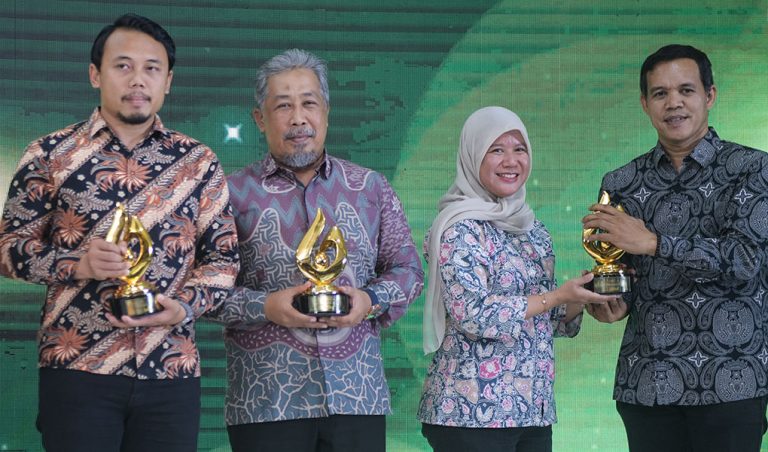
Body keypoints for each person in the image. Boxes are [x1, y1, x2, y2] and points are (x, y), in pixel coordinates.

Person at [0, 14, 239, 452]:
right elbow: (9, 250)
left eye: (152, 68)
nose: (137, 80)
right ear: (96, 74)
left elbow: (223, 262)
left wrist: (183, 307)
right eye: (123, 65)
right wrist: (78, 263)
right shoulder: (49, 154)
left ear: (168, 81)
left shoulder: (199, 163)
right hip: (76, 366)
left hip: (171, 368)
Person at [210, 48, 424, 452]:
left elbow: (408, 271)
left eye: (309, 103)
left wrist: (368, 300)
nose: (298, 119)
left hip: (357, 397)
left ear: (326, 112)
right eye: (283, 106)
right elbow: (203, 291)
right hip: (267, 402)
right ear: (259, 118)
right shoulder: (229, 195)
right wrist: (266, 307)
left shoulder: (370, 188)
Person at [583, 44, 768, 452]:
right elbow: (625, 275)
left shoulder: (752, 168)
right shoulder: (621, 182)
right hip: (647, 385)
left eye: (686, 90)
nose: (674, 103)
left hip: (731, 382)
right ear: (645, 104)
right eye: (660, 93)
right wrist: (612, 302)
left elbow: (745, 262)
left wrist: (654, 242)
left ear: (710, 96)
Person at [419, 106, 614, 452]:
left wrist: (577, 297)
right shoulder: (458, 228)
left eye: (519, 149)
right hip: (471, 412)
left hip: (532, 409)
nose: (511, 161)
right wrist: (556, 296)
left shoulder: (533, 229)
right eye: (496, 150)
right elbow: (473, 314)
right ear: (472, 156)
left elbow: (543, 320)